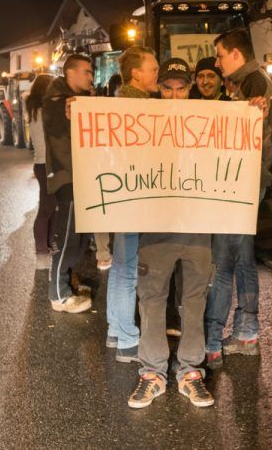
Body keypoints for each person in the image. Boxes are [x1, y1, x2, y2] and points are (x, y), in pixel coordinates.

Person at [127, 57, 216, 409]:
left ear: (190, 87)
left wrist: (256, 110)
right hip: (156, 228)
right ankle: (152, 374)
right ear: (159, 89)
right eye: (168, 88)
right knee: (151, 299)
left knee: (194, 301)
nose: (175, 95)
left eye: (181, 88)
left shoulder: (210, 120)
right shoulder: (140, 122)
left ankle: (190, 373)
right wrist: (79, 112)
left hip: (197, 226)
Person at [204, 28, 272, 369]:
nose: (217, 63)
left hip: (239, 185)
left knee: (222, 261)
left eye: (219, 55)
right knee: (244, 257)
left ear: (235, 54)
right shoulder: (249, 83)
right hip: (246, 183)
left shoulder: (254, 84)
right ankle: (247, 332)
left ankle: (211, 338)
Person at [106, 46, 159, 364]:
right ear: (136, 73)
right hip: (135, 192)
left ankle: (115, 329)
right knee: (128, 271)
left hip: (121, 193)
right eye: (153, 68)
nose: (157, 73)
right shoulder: (139, 107)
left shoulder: (118, 103)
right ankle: (127, 340)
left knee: (120, 265)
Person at [42, 53, 100, 313]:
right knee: (67, 236)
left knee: (80, 236)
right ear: (70, 73)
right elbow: (59, 124)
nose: (91, 76)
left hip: (81, 175)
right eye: (86, 71)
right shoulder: (57, 102)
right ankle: (59, 294)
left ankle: (67, 282)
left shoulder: (76, 100)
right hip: (69, 177)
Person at [26, 74, 56, 254]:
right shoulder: (44, 110)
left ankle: (49, 242)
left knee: (52, 206)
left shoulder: (34, 108)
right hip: (46, 164)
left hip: (42, 164)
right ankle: (41, 246)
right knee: (47, 207)